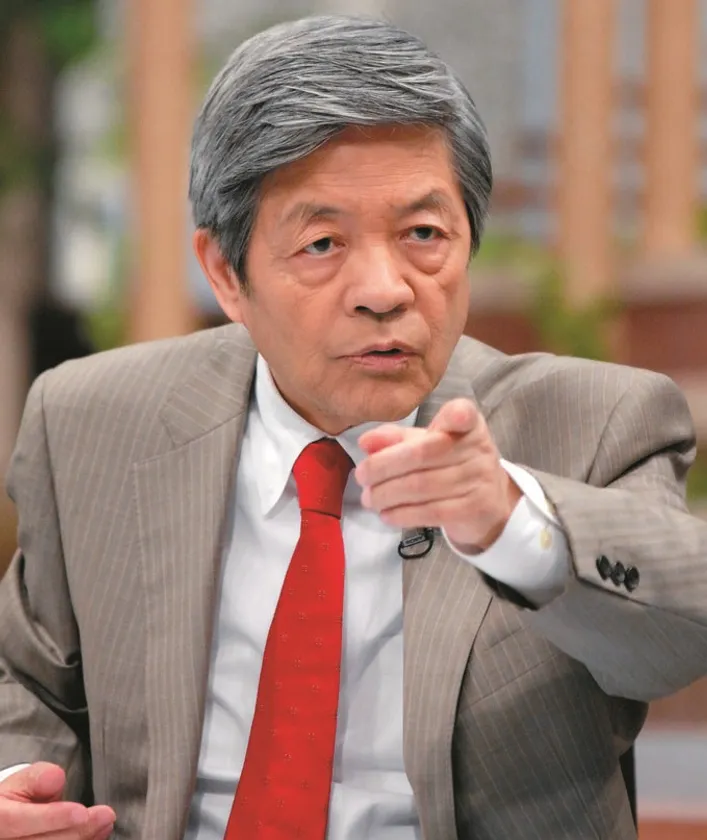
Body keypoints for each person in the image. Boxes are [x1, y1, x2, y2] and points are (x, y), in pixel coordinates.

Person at [0, 14, 706, 840]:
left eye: (422, 235)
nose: (384, 290)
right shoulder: (93, 419)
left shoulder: (594, 421)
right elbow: (29, 676)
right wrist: (17, 784)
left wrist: (511, 522)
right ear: (225, 274)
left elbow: (677, 637)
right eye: (323, 243)